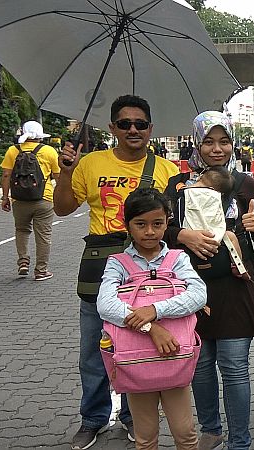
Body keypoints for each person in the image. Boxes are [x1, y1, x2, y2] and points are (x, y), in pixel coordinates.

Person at [54, 95, 180, 450]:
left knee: (135, 348)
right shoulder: (90, 163)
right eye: (125, 124)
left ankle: (132, 417)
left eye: (140, 124)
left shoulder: (167, 171)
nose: (133, 130)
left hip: (148, 274)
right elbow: (63, 208)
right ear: (112, 128)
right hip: (102, 267)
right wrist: (65, 171)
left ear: (150, 129)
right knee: (94, 349)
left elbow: (177, 224)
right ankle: (93, 418)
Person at [164, 111, 254, 450]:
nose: (216, 149)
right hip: (190, 286)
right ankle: (211, 431)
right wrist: (183, 235)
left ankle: (240, 441)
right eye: (208, 141)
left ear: (233, 144)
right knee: (200, 363)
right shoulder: (178, 185)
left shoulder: (244, 183)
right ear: (196, 143)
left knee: (235, 365)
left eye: (224, 141)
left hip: (236, 286)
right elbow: (159, 231)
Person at [96, 188, 206, 450]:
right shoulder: (118, 263)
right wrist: (150, 327)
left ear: (167, 222)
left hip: (174, 357)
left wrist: (155, 309)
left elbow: (199, 294)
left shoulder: (177, 259)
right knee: (145, 437)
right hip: (136, 361)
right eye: (140, 224)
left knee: (186, 433)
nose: (149, 232)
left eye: (157, 224)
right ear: (128, 226)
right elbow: (105, 304)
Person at [0, 121, 61, 280]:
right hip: (44, 198)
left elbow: (6, 175)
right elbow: (58, 176)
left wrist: (5, 197)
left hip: (19, 199)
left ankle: (23, 262)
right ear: (40, 135)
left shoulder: (13, 150)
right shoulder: (49, 151)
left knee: (21, 230)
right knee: (43, 236)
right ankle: (41, 271)